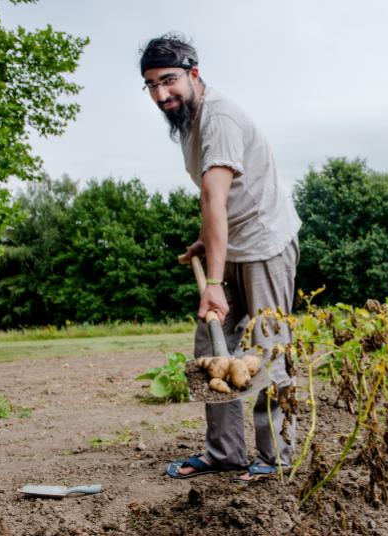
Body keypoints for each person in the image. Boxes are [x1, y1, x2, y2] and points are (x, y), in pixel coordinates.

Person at [139, 33, 301, 481]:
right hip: (229, 244)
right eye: (151, 85)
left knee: (268, 351)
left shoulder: (220, 118)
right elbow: (218, 206)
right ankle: (224, 452)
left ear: (194, 74)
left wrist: (211, 283)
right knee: (211, 349)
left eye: (169, 80)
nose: (161, 94)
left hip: (265, 245)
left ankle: (276, 458)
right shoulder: (190, 119)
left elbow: (214, 196)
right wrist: (203, 243)